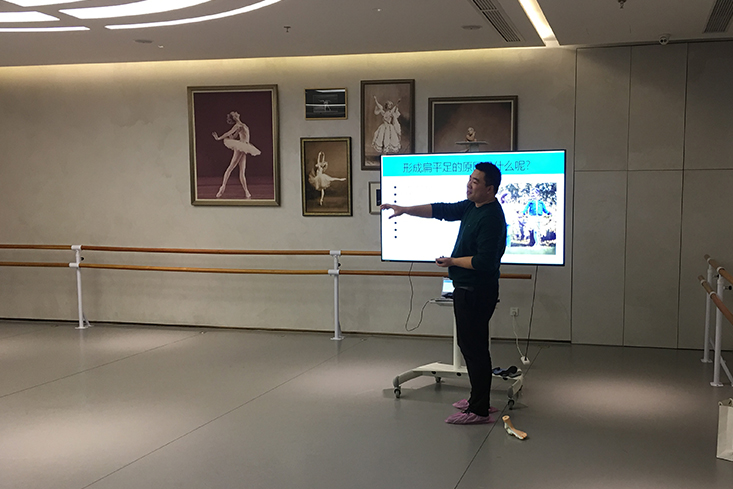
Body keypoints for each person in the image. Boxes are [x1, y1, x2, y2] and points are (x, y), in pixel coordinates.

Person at [381, 162, 507, 425]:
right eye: (470, 178)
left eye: (476, 181)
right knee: (471, 346)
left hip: (476, 291)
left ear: (490, 189)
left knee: (474, 349)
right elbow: (441, 210)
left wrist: (452, 261)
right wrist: (405, 209)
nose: (469, 184)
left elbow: (485, 262)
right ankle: (478, 400)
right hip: (467, 289)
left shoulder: (491, 218)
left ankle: (479, 410)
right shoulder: (472, 206)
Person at [212, 111, 261, 199]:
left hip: (244, 147)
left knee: (242, 171)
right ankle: (222, 187)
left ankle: (247, 192)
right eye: (234, 113)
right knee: (231, 167)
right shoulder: (237, 125)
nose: (236, 112)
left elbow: (234, 136)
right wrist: (219, 138)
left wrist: (232, 138)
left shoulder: (241, 125)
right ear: (234, 117)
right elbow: (228, 133)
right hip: (241, 147)